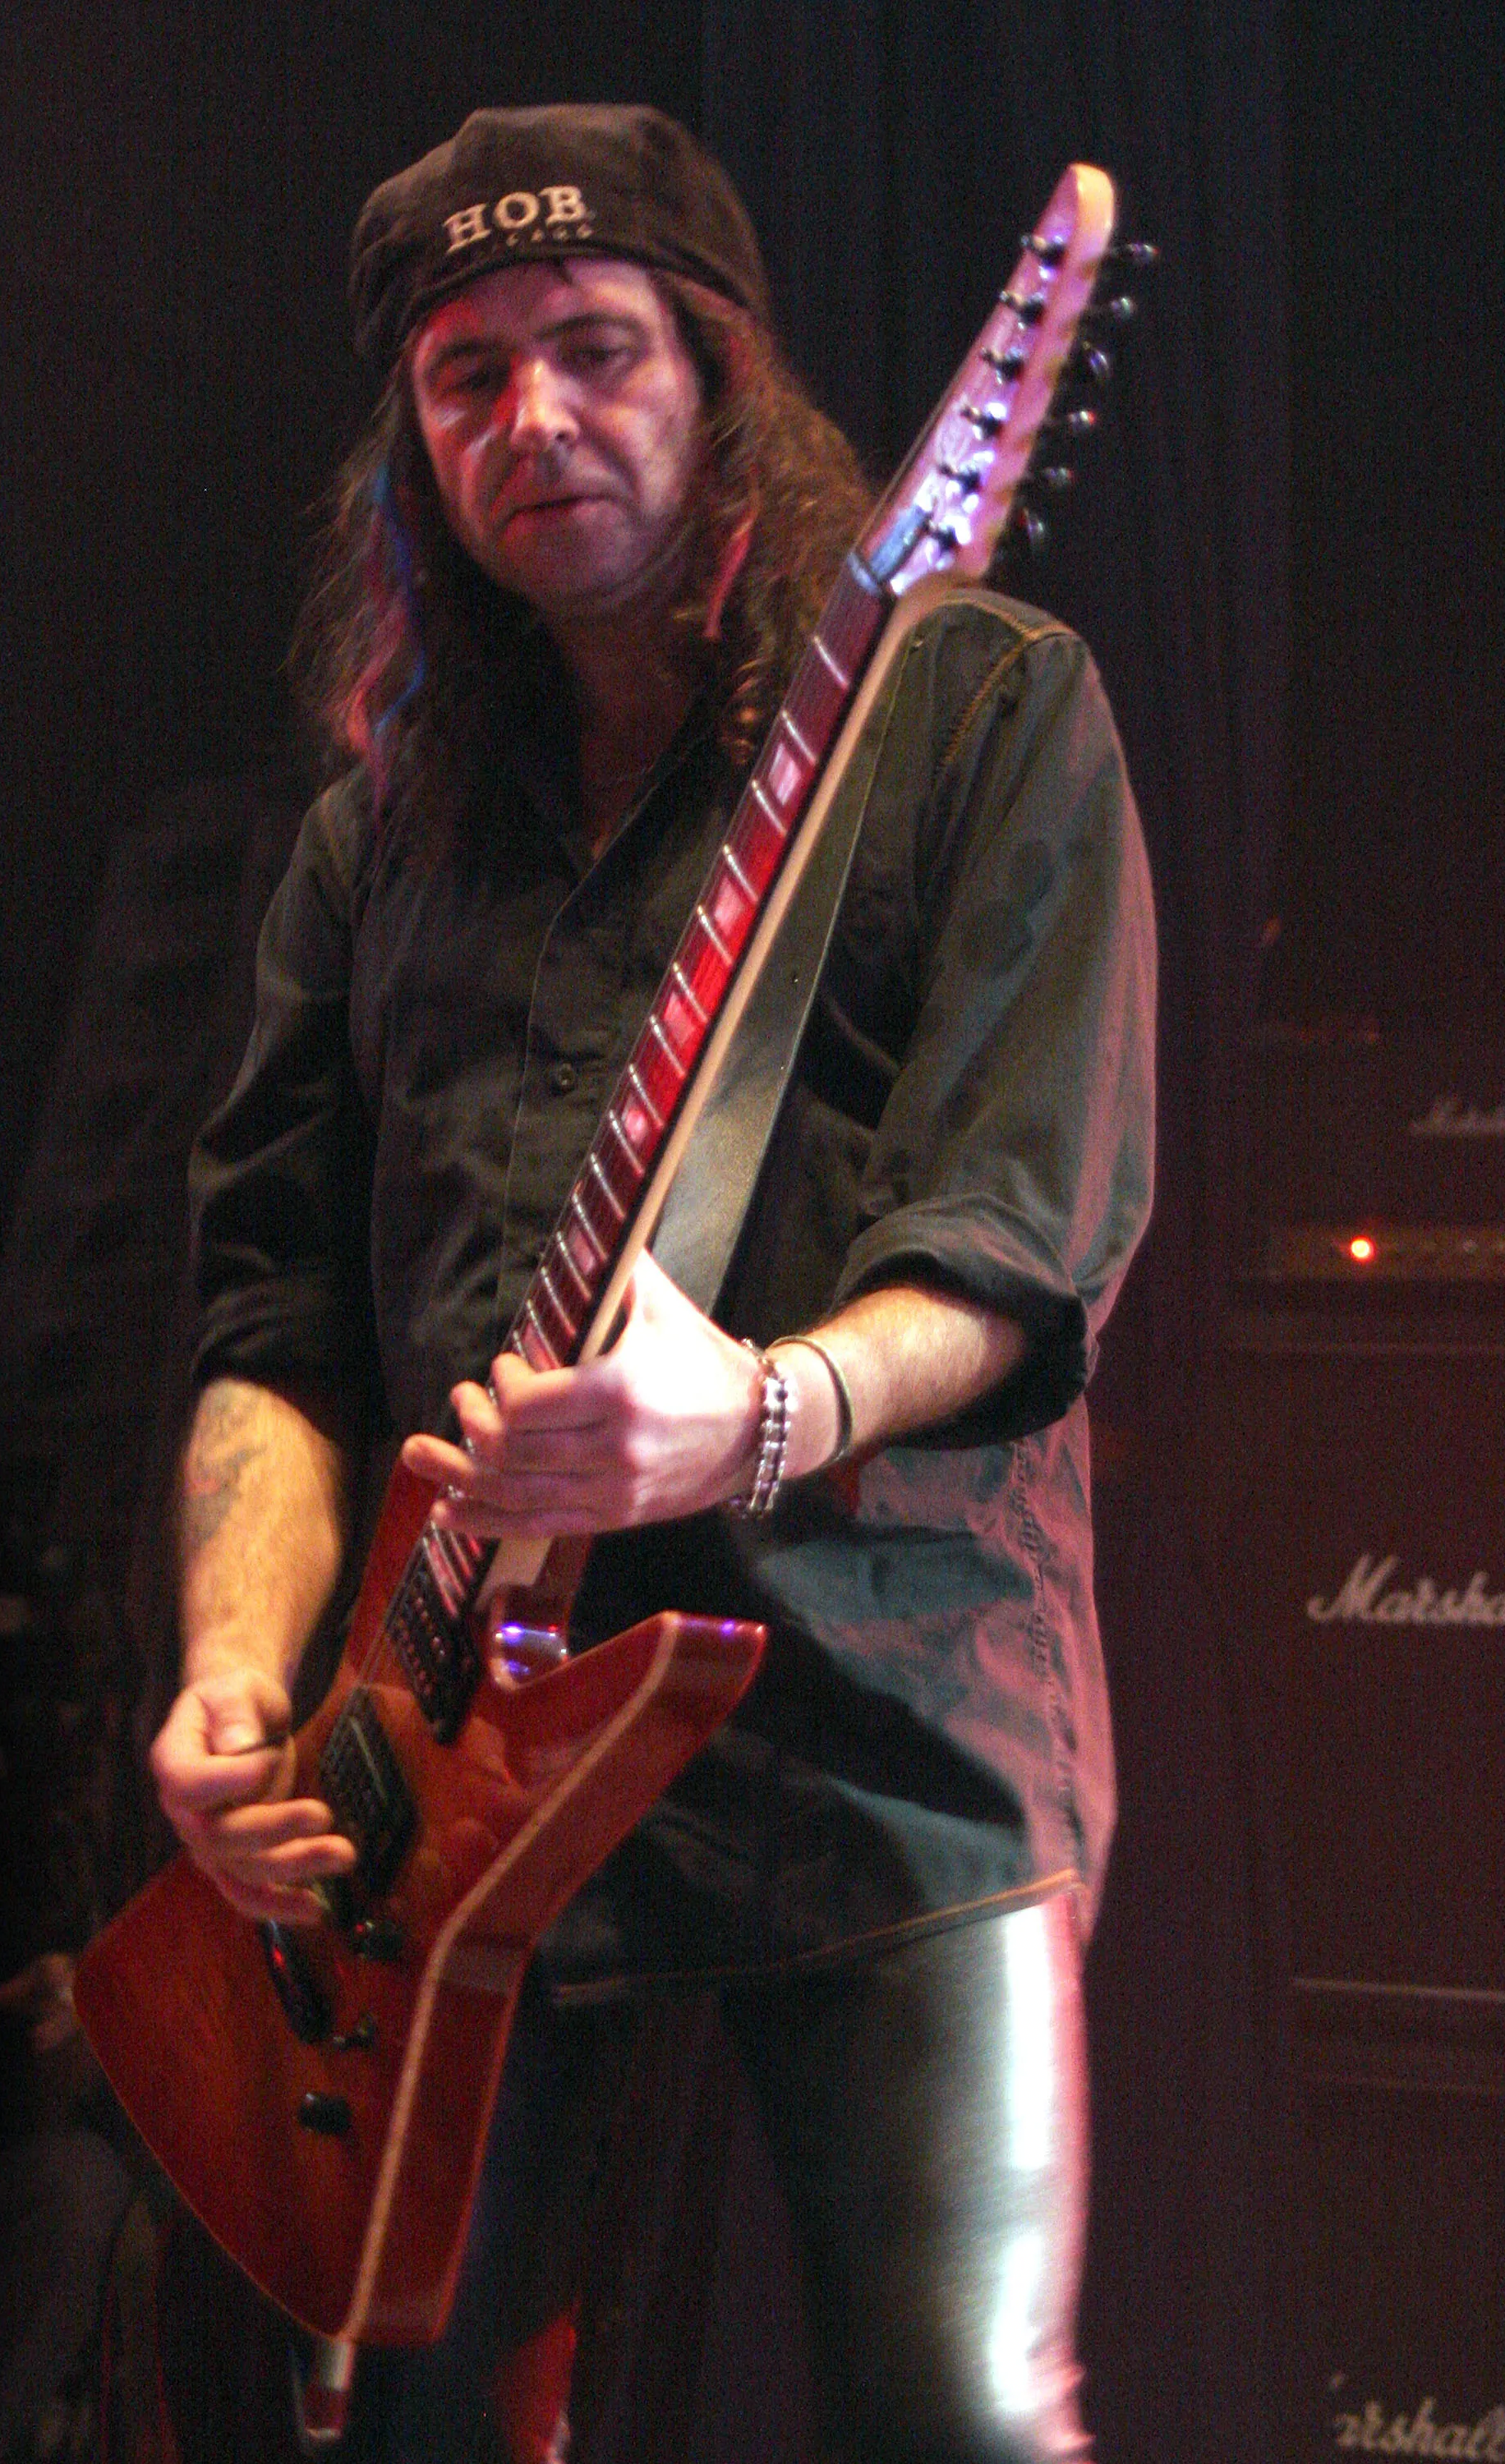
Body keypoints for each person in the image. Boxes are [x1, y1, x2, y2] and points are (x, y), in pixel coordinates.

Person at [150, 103, 1156, 2464]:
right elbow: (268, 1324)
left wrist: (767, 1412)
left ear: (718, 378)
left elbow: (1025, 1238)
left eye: (597, 349)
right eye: (467, 375)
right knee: (388, 2429)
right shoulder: (378, 830)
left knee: (959, 2424)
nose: (537, 417)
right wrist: (229, 1674)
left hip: (890, 1728)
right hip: (454, 1762)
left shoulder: (971, 708)